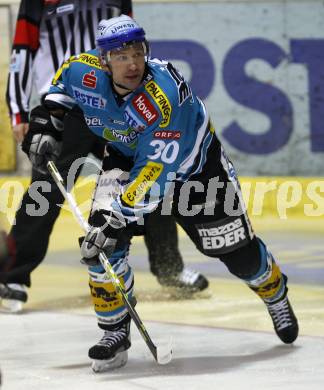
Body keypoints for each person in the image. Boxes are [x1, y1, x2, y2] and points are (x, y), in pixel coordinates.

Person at [21, 15, 299, 372]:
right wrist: (47, 124)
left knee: (236, 255)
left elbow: (154, 177)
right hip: (125, 160)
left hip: (196, 172)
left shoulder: (163, 97)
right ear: (103, 60)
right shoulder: (81, 70)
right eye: (121, 56)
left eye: (137, 52)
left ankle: (275, 293)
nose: (133, 63)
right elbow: (58, 98)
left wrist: (116, 218)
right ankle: (114, 333)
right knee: (101, 247)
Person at [1, 0, 208, 313]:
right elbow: (23, 50)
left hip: (121, 101)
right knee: (46, 190)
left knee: (148, 177)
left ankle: (168, 267)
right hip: (69, 102)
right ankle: (12, 278)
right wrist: (18, 110)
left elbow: (131, 44)